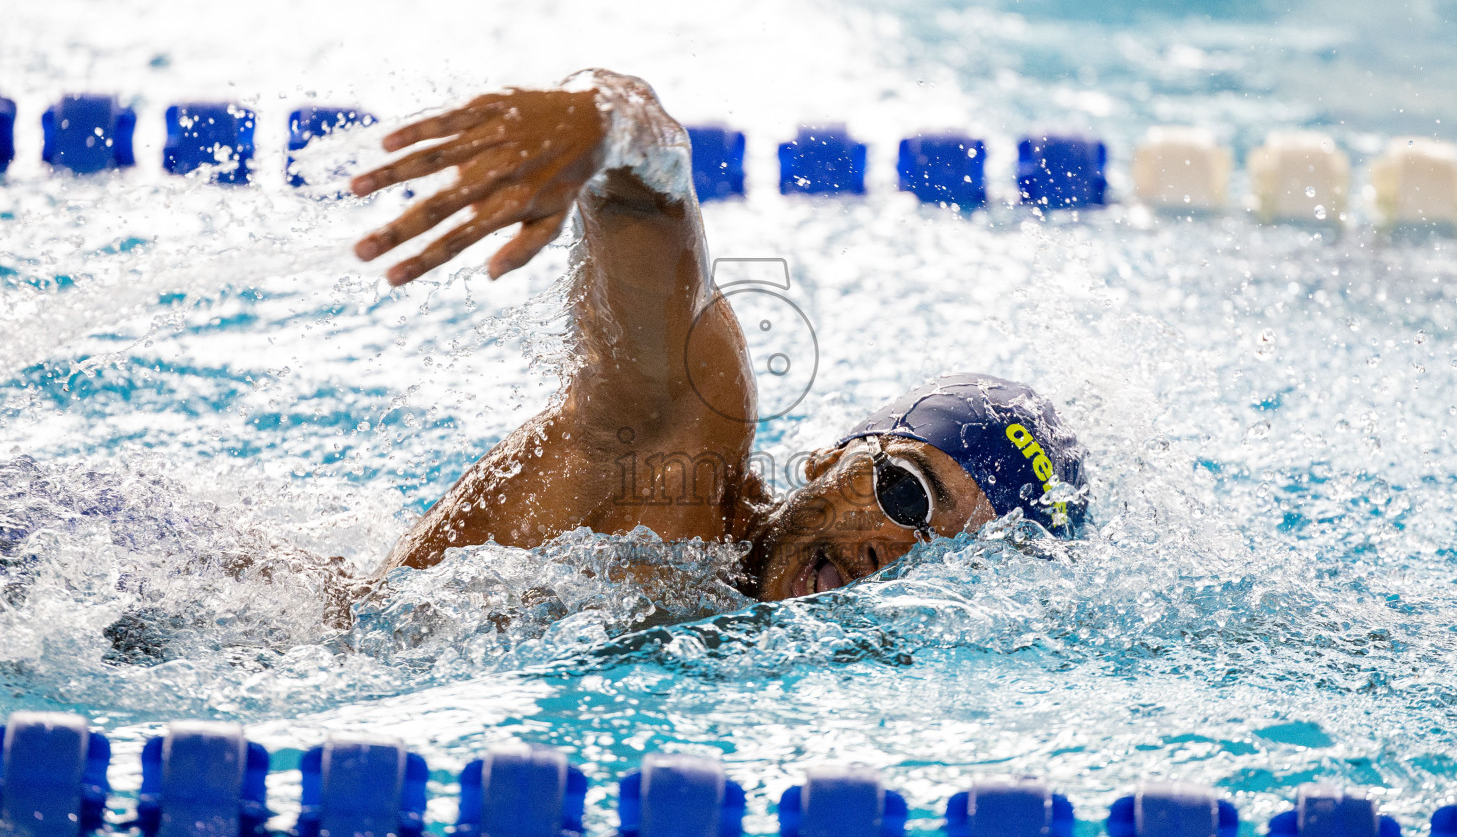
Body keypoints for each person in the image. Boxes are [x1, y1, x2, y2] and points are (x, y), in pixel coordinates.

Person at [345, 70, 1089, 611]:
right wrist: (605, 122)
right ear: (831, 460)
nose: (888, 555)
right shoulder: (676, 461)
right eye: (906, 492)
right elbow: (650, 197)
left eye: (954, 557)